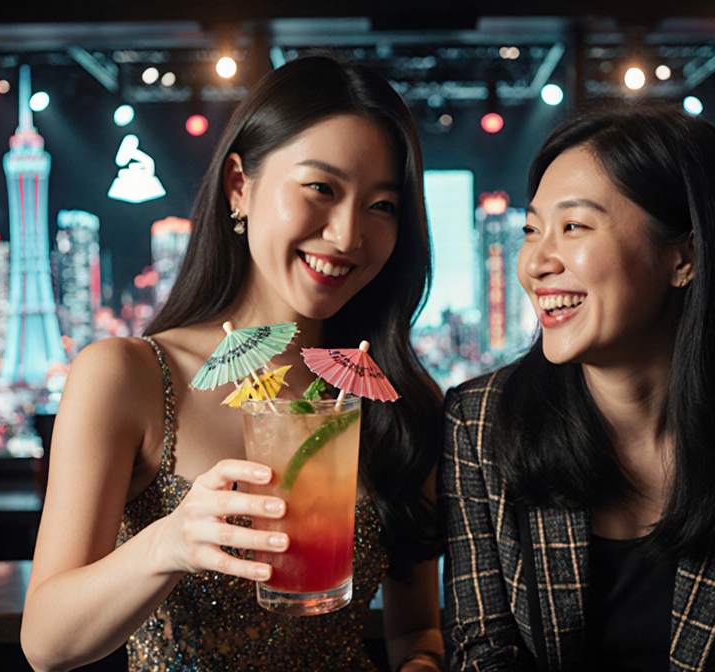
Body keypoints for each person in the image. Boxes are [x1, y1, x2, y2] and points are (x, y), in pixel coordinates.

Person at [22, 56, 446, 672]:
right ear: (239, 187)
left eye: (381, 206)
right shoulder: (128, 376)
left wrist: (423, 665)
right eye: (321, 189)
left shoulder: (395, 398)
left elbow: (417, 633)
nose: (348, 234)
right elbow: (46, 643)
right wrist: (168, 542)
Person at [440, 105, 715, 672]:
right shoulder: (479, 422)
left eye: (573, 226)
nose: (536, 262)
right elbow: (483, 652)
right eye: (531, 229)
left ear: (683, 256)